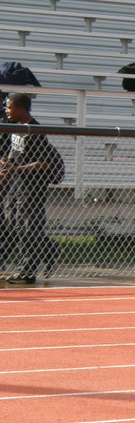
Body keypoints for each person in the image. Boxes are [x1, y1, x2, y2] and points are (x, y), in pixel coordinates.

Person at [0, 94, 57, 284]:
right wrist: (7, 163)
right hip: (16, 186)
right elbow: (14, 150)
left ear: (21, 108)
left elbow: (44, 163)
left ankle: (27, 270)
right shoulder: (16, 128)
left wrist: (19, 168)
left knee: (28, 228)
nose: (6, 111)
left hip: (31, 189)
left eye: (9, 107)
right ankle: (49, 250)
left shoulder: (35, 130)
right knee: (12, 226)